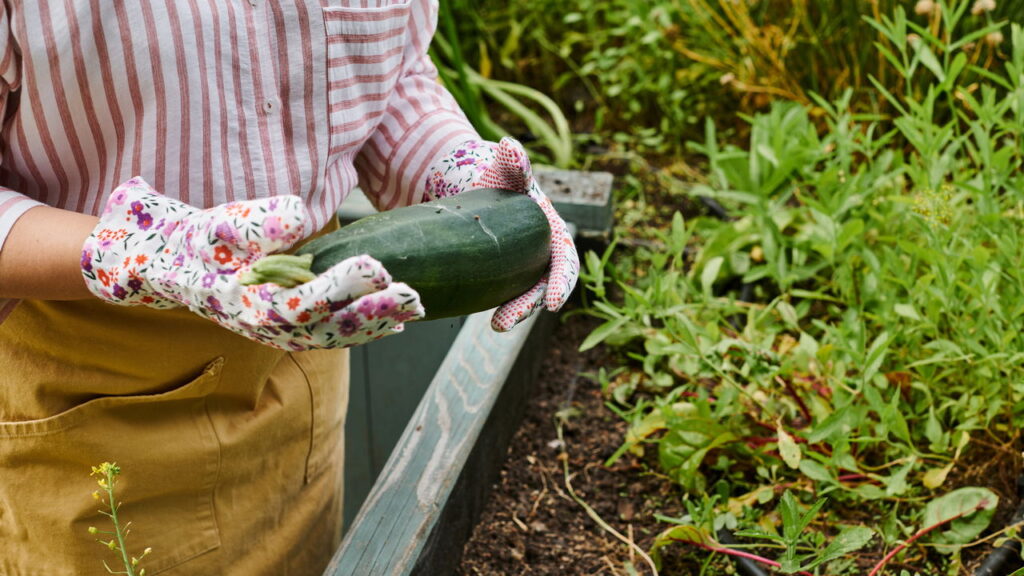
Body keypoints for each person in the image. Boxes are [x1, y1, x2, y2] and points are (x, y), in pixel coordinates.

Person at [0, 2, 578, 575]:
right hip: (93, 395)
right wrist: (147, 253)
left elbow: (390, 77)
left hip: (302, 344)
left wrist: (459, 177)